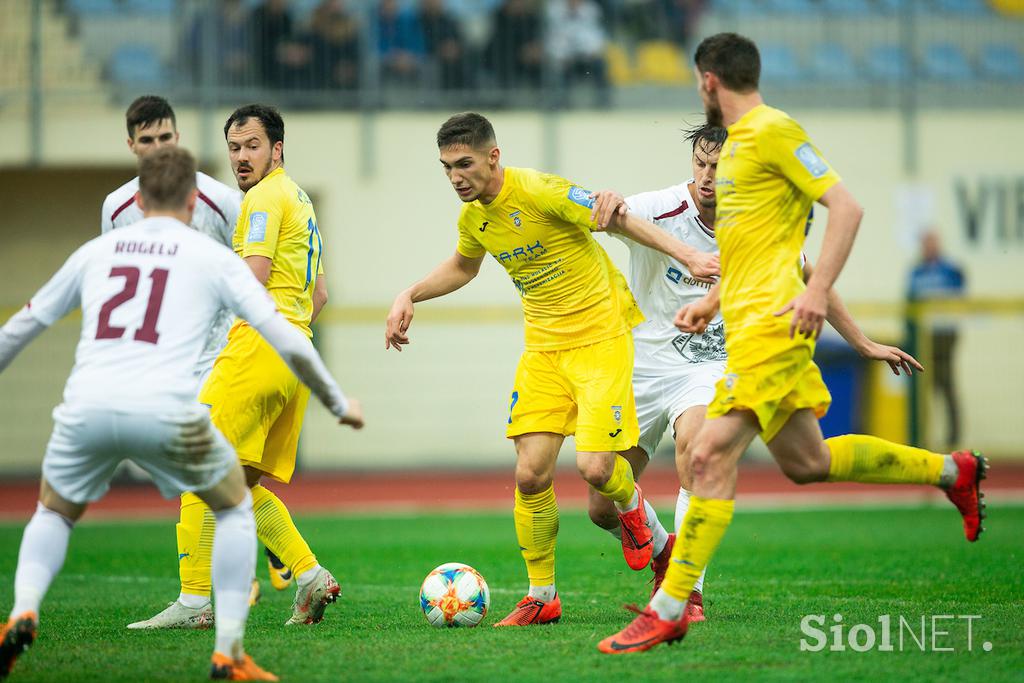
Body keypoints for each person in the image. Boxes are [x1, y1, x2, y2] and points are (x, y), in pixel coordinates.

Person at [597, 33, 986, 654]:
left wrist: (818, 290)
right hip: (747, 325)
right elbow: (761, 253)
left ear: (707, 81)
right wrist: (712, 302)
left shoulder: (771, 132)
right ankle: (951, 470)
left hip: (774, 332)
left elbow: (848, 209)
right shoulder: (742, 151)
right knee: (809, 463)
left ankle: (672, 604)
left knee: (706, 456)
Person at [0, 147, 362, 681]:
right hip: (172, 403)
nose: (241, 156)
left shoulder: (96, 253)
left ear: (137, 199)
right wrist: (336, 400)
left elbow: (24, 325)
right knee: (234, 498)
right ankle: (233, 648)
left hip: (87, 405)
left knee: (52, 513)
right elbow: (288, 319)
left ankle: (26, 608)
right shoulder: (210, 254)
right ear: (196, 201)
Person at [385, 112, 719, 627]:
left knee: (596, 469)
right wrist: (410, 293)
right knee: (529, 474)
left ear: (493, 157)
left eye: (464, 164)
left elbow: (618, 218)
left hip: (602, 339)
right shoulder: (474, 218)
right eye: (447, 167)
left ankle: (643, 524)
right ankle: (543, 597)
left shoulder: (540, 190)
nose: (455, 176)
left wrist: (689, 255)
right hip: (543, 352)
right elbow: (464, 265)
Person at [586, 123, 925, 623]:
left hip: (710, 366)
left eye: (718, 168)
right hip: (642, 367)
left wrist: (864, 342)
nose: (706, 177)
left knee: (698, 447)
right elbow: (605, 215)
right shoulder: (659, 207)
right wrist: (607, 200)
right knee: (599, 503)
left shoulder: (759, 225)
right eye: (700, 165)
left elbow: (811, 279)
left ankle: (687, 592)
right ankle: (662, 549)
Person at [130, 105, 350, 630]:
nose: (241, 157)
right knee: (240, 484)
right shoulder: (298, 197)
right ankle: (309, 575)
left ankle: (194, 602)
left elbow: (252, 278)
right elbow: (319, 293)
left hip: (257, 349)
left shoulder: (263, 198)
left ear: (277, 148)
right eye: (234, 147)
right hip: (294, 352)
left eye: (252, 145)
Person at [907, 230, 965, 447]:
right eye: (925, 243)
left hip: (944, 335)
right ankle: (921, 436)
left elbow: (961, 295)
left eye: (932, 242)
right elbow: (909, 300)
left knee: (946, 384)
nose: (928, 247)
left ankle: (952, 438)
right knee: (922, 386)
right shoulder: (916, 272)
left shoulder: (951, 269)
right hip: (922, 335)